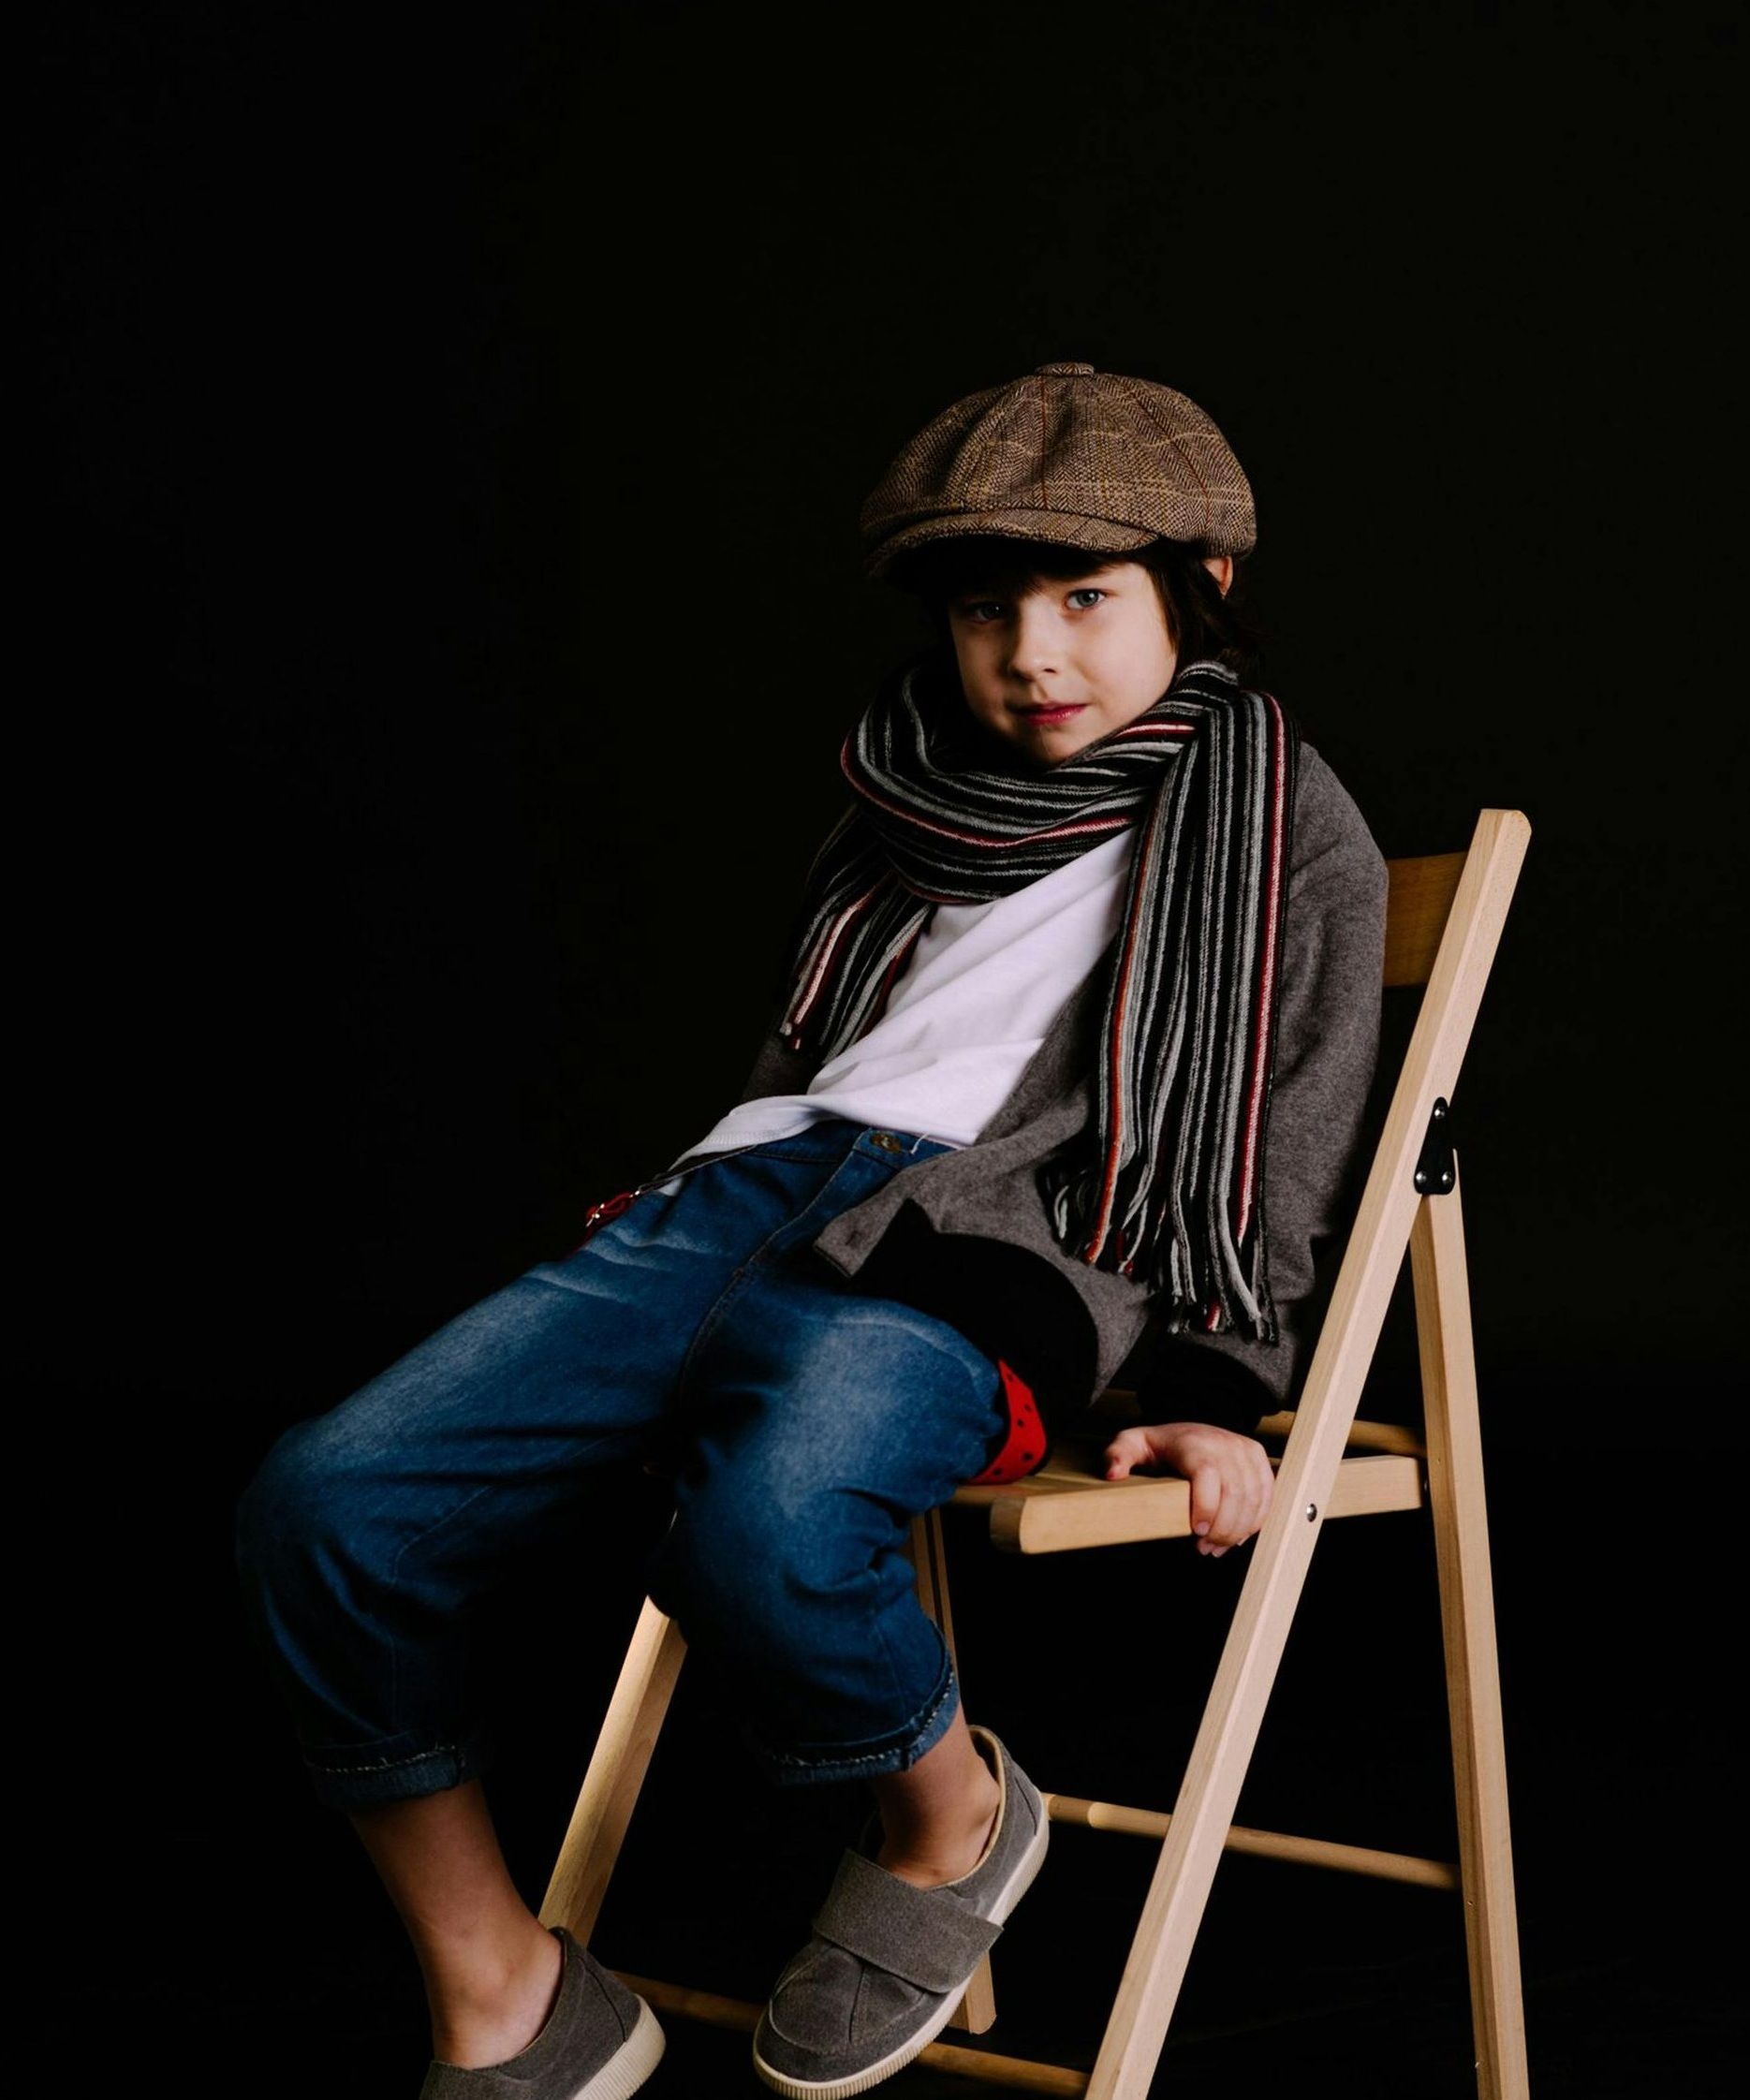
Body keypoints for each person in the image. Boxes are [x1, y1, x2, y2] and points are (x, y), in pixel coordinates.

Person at [234, 359, 1389, 2100]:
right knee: (323, 1503)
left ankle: (950, 1817)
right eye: (987, 607)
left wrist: (1218, 1378)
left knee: (765, 1522)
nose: (1034, 654)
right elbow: (809, 1059)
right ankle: (506, 1988)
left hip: (992, 1240)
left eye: (1086, 598)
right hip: (745, 1201)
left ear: (1201, 591)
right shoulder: (901, 798)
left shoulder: (1282, 824)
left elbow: (1281, 1129)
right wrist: (692, 1221)